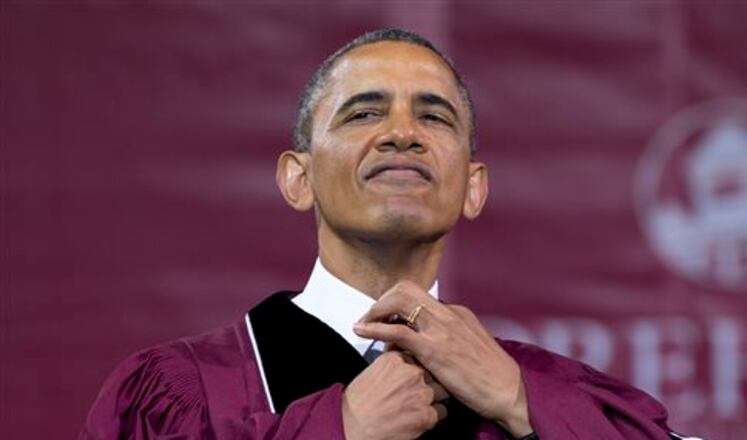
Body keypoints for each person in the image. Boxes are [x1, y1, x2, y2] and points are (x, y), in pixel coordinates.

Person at [82, 29, 691, 440]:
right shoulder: (177, 394)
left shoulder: (546, 395)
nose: (403, 134)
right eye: (364, 112)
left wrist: (520, 401)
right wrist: (336, 431)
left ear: (472, 187)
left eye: (433, 115)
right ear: (299, 179)